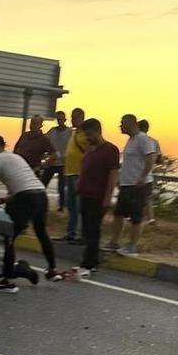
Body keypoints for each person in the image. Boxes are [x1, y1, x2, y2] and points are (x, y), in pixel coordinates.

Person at [0, 134, 62, 294]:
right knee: (41, 233)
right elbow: (24, 185)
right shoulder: (15, 158)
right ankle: (52, 270)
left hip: (26, 198)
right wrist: (4, 199)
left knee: (9, 236)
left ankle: (8, 282)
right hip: (40, 194)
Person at [104, 114, 157, 257]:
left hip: (138, 185)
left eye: (122, 123)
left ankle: (132, 247)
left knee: (135, 217)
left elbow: (151, 158)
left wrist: (142, 177)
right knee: (118, 214)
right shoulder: (131, 140)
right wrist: (120, 180)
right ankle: (114, 242)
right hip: (126, 184)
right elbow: (129, 163)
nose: (120, 126)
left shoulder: (143, 139)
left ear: (130, 123)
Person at [75, 118, 120, 277]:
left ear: (97, 131)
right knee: (87, 230)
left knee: (92, 230)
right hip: (85, 195)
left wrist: (107, 197)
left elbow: (113, 175)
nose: (87, 138)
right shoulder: (90, 150)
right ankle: (90, 261)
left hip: (97, 196)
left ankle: (88, 264)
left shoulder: (110, 150)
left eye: (89, 134)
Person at [58, 108, 89, 243]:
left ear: (81, 118)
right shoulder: (74, 133)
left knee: (79, 206)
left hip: (79, 174)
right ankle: (71, 232)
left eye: (74, 117)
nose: (72, 120)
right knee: (71, 205)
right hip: (69, 172)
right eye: (72, 117)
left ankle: (80, 234)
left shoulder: (86, 133)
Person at [42, 111, 72, 211]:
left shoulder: (70, 132)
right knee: (43, 183)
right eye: (58, 119)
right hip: (52, 162)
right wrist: (46, 156)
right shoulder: (52, 131)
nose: (59, 121)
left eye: (61, 119)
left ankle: (61, 207)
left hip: (63, 163)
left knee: (61, 187)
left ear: (64, 120)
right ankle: (40, 202)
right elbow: (45, 142)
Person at [139, 119, 160, 225]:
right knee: (147, 197)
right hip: (148, 174)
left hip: (137, 174)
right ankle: (150, 218)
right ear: (147, 129)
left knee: (137, 197)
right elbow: (159, 159)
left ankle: (139, 216)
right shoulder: (154, 141)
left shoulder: (135, 140)